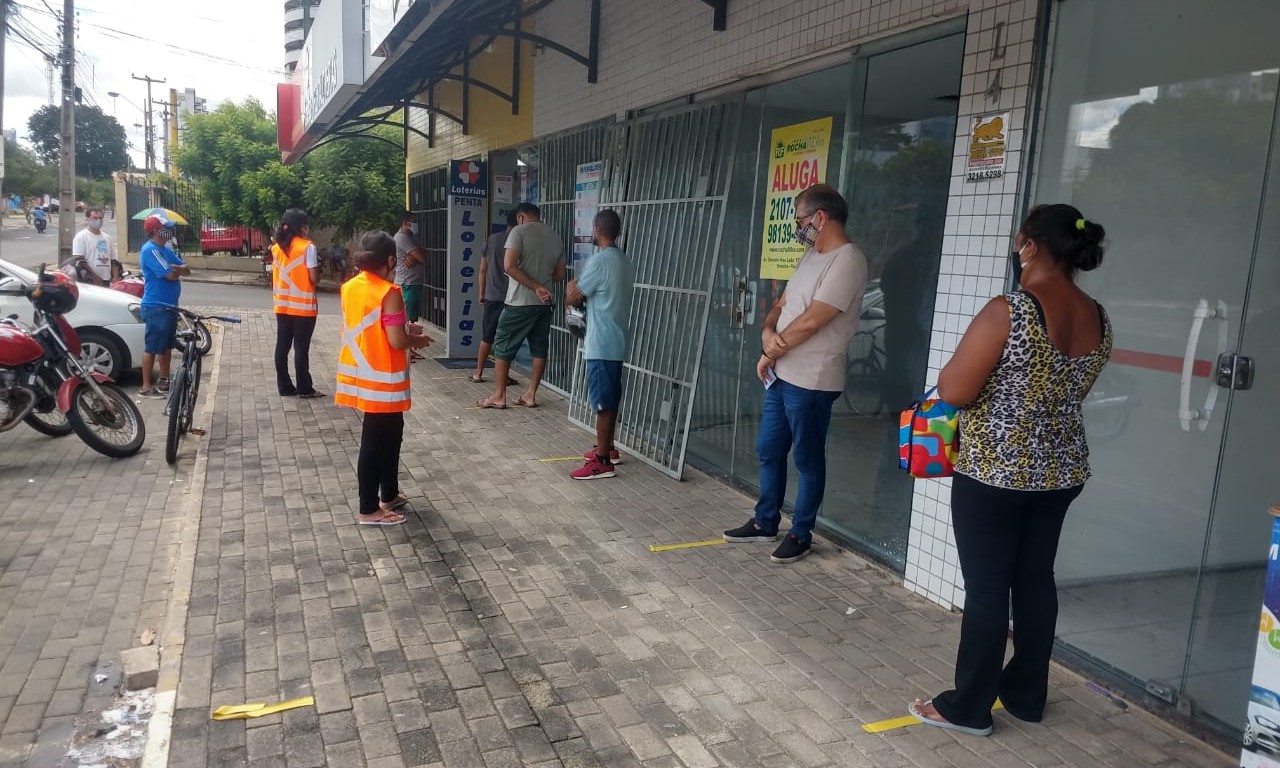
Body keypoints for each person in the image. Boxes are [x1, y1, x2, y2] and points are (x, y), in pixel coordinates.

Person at [908, 204, 1112, 737]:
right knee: (1036, 581)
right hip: (1062, 471)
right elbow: (1072, 393)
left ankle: (967, 707)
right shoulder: (1099, 315)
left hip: (994, 473)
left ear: (1029, 245)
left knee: (988, 589)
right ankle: (1025, 696)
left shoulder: (1011, 310)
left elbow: (954, 391)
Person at [722, 184, 868, 564]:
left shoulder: (848, 260)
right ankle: (764, 520)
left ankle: (801, 532)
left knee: (807, 458)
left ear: (821, 217)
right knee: (769, 450)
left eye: (800, 220)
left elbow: (813, 321)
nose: (797, 228)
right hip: (783, 375)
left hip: (813, 381)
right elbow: (781, 306)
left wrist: (773, 348)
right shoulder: (810, 256)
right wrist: (768, 334)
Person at [336, 231, 434, 526]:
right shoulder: (390, 292)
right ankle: (368, 509)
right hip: (382, 379)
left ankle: (388, 493)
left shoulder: (350, 287)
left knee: (391, 434)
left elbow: (373, 326)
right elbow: (395, 341)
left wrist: (407, 331)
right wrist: (419, 341)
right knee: (375, 442)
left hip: (360, 373)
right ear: (391, 260)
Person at [563, 210, 634, 479]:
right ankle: (609, 448)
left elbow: (573, 297)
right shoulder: (624, 261)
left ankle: (602, 461)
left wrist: (571, 284)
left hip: (601, 343)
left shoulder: (600, 262)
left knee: (602, 403)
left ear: (596, 230)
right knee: (611, 398)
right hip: (616, 339)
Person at [476, 202, 565, 409]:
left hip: (519, 302)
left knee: (502, 344)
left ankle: (499, 395)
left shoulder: (519, 232)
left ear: (521, 217)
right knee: (539, 348)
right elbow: (560, 274)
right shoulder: (555, 236)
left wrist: (534, 286)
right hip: (545, 304)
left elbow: (508, 266)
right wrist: (542, 285)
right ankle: (531, 394)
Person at [270, 209, 324, 398]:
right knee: (301, 348)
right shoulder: (307, 247)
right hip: (303, 308)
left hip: (282, 305)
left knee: (282, 346)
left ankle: (284, 387)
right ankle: (304, 388)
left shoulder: (276, 248)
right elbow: (314, 278)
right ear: (303, 227)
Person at [138, 214, 191, 398]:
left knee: (167, 346)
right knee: (152, 347)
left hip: (169, 306)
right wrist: (176, 269)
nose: (168, 232)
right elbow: (170, 275)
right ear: (155, 231)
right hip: (156, 306)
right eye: (165, 228)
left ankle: (164, 379)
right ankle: (145, 387)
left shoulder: (164, 249)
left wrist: (175, 268)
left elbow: (187, 269)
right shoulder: (151, 250)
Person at [470, 212, 519, 386]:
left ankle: (478, 372)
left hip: (492, 295)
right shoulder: (519, 242)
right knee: (506, 338)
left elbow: (483, 269)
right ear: (519, 221)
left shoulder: (491, 240)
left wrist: (481, 293)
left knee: (487, 336)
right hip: (513, 297)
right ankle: (504, 376)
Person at [394, 213, 428, 362]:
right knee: (407, 319)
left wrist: (413, 255)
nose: (416, 224)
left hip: (415, 282)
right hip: (407, 283)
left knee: (412, 318)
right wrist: (416, 255)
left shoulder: (413, 237)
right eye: (413, 222)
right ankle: (408, 350)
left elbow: (423, 253)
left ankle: (411, 349)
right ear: (405, 222)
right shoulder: (401, 238)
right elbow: (422, 257)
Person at [71, 207, 116, 286]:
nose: (98, 220)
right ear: (87, 219)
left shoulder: (108, 238)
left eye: (100, 218)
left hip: (106, 280)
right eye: (95, 218)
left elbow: (113, 261)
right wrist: (95, 278)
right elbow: (80, 262)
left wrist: (115, 277)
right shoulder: (81, 237)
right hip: (89, 282)